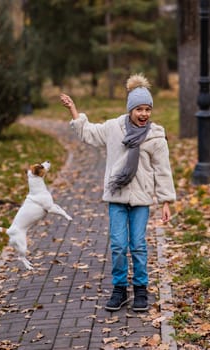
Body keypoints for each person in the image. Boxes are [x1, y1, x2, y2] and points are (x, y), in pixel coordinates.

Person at [60, 73, 176, 312]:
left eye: (148, 109)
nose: (144, 114)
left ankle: (141, 290)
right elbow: (89, 133)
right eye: (139, 109)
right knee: (118, 245)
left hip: (141, 199)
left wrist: (166, 201)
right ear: (130, 109)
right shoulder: (114, 128)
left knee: (139, 245)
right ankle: (120, 289)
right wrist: (74, 111)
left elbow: (162, 170)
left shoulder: (155, 135)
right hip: (117, 198)